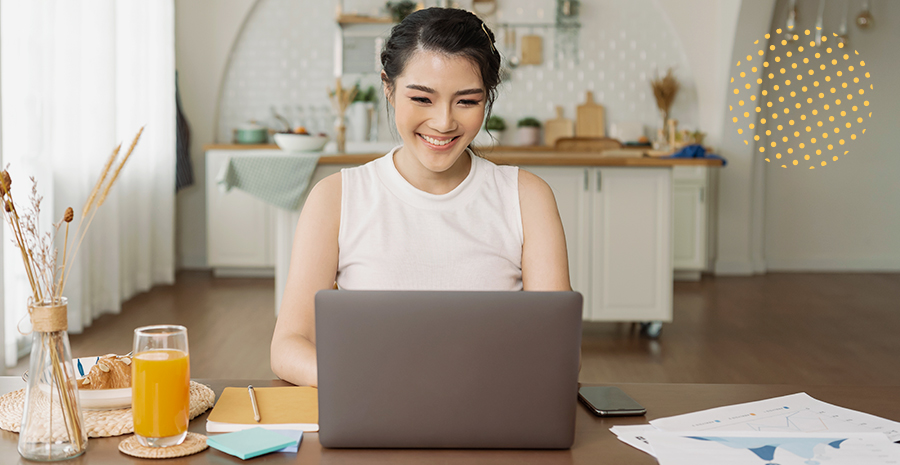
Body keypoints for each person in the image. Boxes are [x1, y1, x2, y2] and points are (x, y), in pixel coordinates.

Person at [271, 8, 570, 387]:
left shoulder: (527, 197)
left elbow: (558, 350)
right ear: (389, 88)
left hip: (488, 411)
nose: (444, 122)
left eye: (467, 102)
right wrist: (367, 380)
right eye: (423, 99)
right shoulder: (336, 198)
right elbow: (287, 346)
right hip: (371, 407)